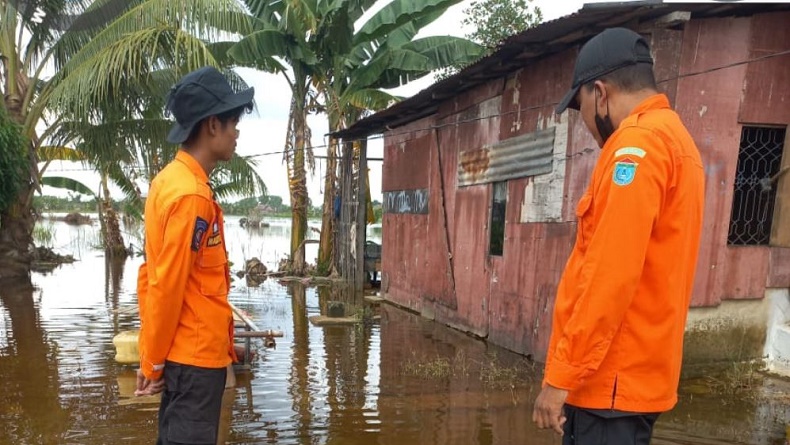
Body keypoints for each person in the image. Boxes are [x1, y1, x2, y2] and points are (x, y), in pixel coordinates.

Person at [532, 28, 705, 444]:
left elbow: (609, 275)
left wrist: (560, 379)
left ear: (600, 93)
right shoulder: (677, 141)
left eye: (582, 107)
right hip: (634, 383)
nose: (587, 123)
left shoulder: (636, 148)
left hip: (610, 386)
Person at [135, 66, 254, 445]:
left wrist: (151, 357)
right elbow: (166, 286)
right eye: (233, 122)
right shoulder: (191, 197)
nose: (237, 132)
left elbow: (150, 274)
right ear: (212, 125)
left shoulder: (169, 181)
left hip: (186, 356)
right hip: (195, 360)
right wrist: (152, 363)